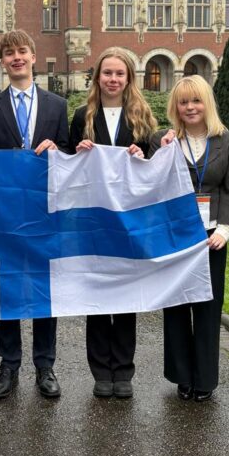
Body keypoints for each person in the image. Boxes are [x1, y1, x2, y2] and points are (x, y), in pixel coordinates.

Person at [0, 29, 70, 400]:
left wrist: (57, 149)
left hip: (46, 212)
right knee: (9, 287)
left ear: (33, 56)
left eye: (22, 51)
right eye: (9, 53)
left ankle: (45, 366)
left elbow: (68, 153)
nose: (16, 57)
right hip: (7, 215)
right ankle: (8, 363)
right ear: (3, 61)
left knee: (45, 290)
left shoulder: (57, 106)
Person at [148, 76, 229, 403]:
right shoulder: (163, 139)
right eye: (184, 102)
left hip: (210, 236)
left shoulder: (227, 141)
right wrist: (155, 153)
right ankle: (181, 376)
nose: (190, 108)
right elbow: (146, 181)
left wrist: (225, 230)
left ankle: (205, 378)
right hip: (175, 236)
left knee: (207, 307)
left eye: (196, 101)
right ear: (175, 106)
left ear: (207, 104)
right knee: (176, 306)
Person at [69, 47, 157, 399]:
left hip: (127, 220)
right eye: (107, 73)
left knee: (124, 297)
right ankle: (100, 371)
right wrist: (77, 153)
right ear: (97, 77)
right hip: (92, 220)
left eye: (120, 74)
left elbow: (155, 163)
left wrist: (143, 155)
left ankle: (123, 371)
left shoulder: (142, 115)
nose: (113, 79)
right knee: (98, 298)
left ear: (128, 79)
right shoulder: (81, 115)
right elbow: (66, 161)